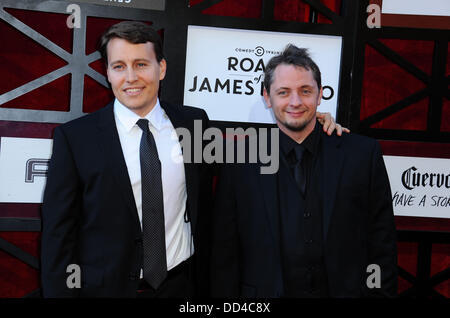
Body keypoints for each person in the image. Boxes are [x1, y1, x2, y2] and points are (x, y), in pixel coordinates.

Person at [40, 21, 343, 298]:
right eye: (119, 66)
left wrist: (309, 121)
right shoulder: (76, 138)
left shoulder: (192, 124)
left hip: (182, 289)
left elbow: (255, 156)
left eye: (141, 64)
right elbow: (58, 234)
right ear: (107, 72)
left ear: (161, 68)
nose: (130, 77)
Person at [210, 44, 398, 298]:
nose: (295, 102)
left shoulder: (362, 154)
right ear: (267, 97)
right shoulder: (239, 161)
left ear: (320, 94)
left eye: (305, 91)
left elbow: (381, 241)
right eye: (284, 92)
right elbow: (225, 253)